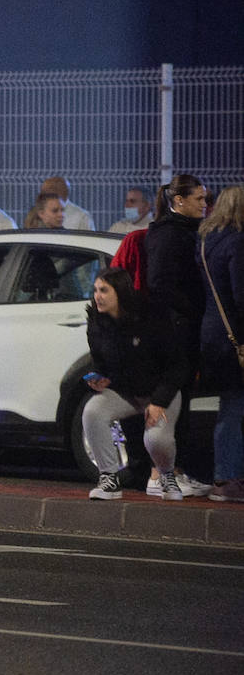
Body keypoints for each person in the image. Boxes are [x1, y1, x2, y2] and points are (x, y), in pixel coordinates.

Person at [83, 268, 190, 500]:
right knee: (92, 411)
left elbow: (178, 366)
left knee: (155, 439)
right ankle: (109, 479)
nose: (97, 296)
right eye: (95, 291)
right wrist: (99, 378)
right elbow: (100, 362)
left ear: (120, 292)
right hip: (126, 392)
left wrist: (159, 402)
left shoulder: (150, 317)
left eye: (104, 291)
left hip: (160, 391)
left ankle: (166, 475)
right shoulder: (96, 321)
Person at [145, 173, 213, 496]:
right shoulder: (169, 236)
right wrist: (191, 311)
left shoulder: (185, 232)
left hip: (182, 328)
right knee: (170, 405)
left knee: (181, 406)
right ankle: (161, 475)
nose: (205, 204)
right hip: (174, 332)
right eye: (199, 199)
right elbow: (160, 284)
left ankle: (174, 472)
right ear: (179, 201)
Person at [197, 185, 244, 503]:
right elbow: (241, 295)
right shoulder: (238, 242)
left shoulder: (205, 241)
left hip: (212, 332)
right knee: (234, 408)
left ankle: (226, 476)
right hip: (235, 337)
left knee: (230, 406)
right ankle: (227, 478)